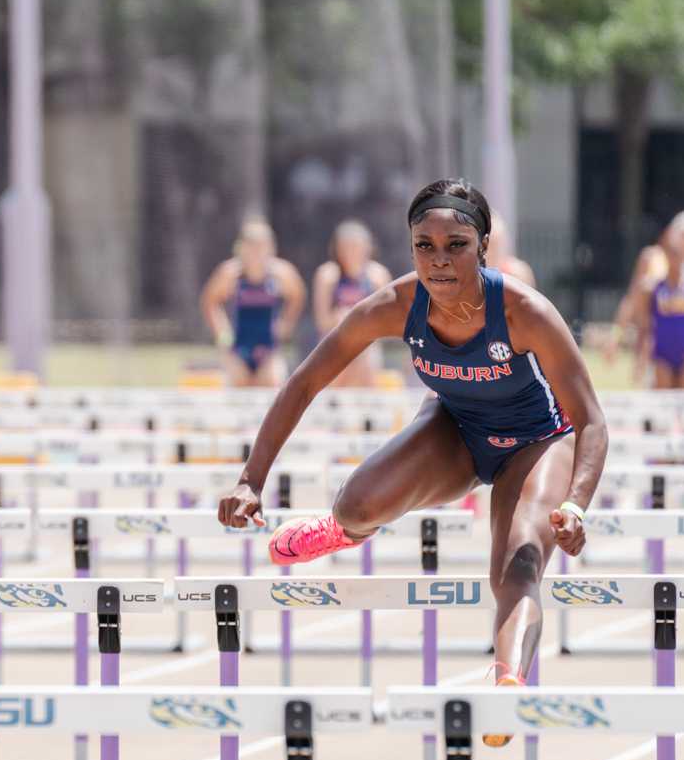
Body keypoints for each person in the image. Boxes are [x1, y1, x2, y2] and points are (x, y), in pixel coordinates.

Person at [220, 179, 609, 717]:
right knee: (355, 504)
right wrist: (251, 480)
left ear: (483, 248)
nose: (440, 261)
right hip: (457, 430)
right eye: (424, 245)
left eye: (456, 246)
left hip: (539, 440)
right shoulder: (393, 305)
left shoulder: (525, 311)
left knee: (517, 565)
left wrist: (576, 502)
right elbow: (304, 382)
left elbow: (590, 419)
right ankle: (345, 528)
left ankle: (509, 685)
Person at [200, 218, 306, 388]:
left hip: (269, 348)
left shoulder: (281, 273)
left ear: (271, 248)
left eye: (261, 246)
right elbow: (210, 301)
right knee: (238, 384)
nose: (256, 252)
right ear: (241, 248)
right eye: (251, 246)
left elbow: (298, 295)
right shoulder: (230, 273)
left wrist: (286, 324)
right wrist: (221, 332)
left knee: (273, 383)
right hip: (238, 347)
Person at [621, 219, 684, 389]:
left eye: (678, 253)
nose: (675, 258)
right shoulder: (652, 288)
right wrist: (639, 361)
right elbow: (644, 327)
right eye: (671, 253)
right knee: (664, 403)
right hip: (662, 355)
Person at [310, 220, 393, 388]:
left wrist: (358, 319)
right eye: (347, 247)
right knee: (338, 360)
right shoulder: (328, 275)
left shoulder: (377, 276)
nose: (352, 253)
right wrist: (342, 318)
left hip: (366, 345)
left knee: (366, 358)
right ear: (338, 249)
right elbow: (322, 322)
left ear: (367, 247)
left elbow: (389, 321)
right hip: (336, 342)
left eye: (357, 247)